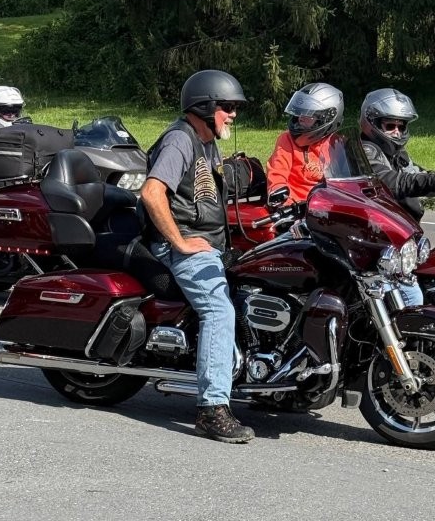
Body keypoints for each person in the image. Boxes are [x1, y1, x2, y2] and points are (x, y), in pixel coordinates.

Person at [140, 69, 254, 444]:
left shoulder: (206, 142)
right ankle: (212, 409)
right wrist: (180, 242)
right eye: (227, 106)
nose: (233, 114)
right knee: (218, 310)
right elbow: (152, 192)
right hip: (183, 245)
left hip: (210, 241)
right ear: (205, 106)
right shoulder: (180, 140)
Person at [359, 88, 435, 306]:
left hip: (401, 242)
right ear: (372, 123)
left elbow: (417, 176)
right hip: (379, 244)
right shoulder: (366, 152)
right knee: (413, 299)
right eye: (390, 126)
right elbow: (392, 182)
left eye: (401, 126)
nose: (397, 132)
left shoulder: (396, 155)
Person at [266, 82, 344, 203]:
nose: (301, 117)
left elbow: (349, 181)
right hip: (295, 207)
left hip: (328, 206)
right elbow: (277, 175)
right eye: (300, 112)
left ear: (326, 117)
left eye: (308, 113)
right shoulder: (286, 139)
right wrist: (281, 196)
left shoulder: (338, 144)